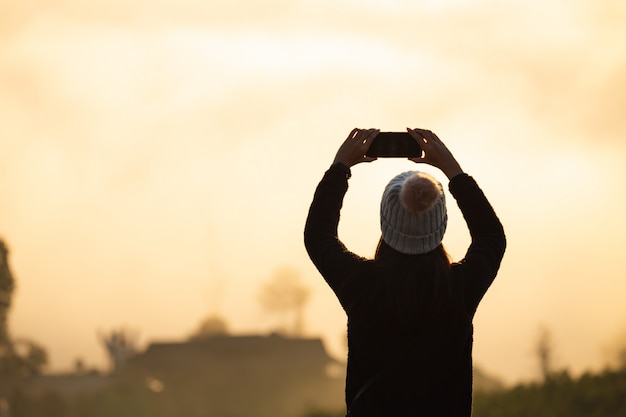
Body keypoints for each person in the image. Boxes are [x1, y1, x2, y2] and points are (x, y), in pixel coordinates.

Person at [304, 128, 506, 416]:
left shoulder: (362, 286)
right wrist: (452, 170)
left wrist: (340, 168)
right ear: (441, 225)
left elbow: (318, 236)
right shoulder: (459, 289)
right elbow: (491, 238)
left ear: (385, 223)